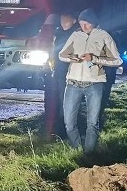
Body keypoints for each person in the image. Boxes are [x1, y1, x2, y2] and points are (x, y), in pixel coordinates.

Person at [58, 9, 122, 153]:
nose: (84, 27)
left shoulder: (104, 36)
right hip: (73, 83)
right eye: (81, 23)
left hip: (95, 84)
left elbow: (117, 60)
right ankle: (77, 149)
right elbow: (61, 55)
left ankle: (88, 154)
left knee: (92, 122)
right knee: (69, 122)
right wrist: (71, 58)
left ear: (93, 22)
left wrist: (94, 59)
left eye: (87, 24)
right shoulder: (76, 35)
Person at [50, 13, 78, 138]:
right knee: (56, 99)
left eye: (66, 21)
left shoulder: (76, 35)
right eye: (61, 20)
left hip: (69, 72)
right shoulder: (58, 33)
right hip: (58, 71)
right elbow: (54, 51)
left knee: (65, 100)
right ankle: (57, 128)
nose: (63, 23)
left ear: (73, 20)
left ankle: (64, 131)